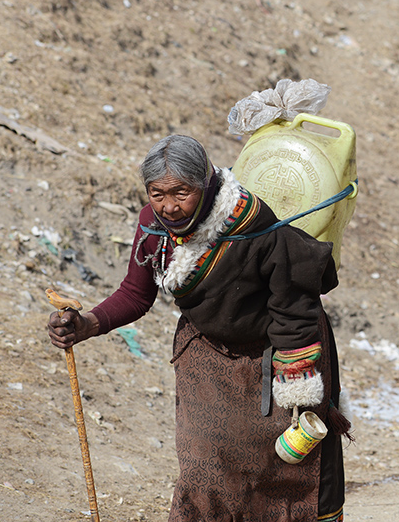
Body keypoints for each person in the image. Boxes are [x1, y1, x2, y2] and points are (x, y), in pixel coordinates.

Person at [48, 134, 349, 522]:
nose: (169, 206)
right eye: (157, 193)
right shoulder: (153, 226)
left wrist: (300, 389)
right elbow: (136, 294)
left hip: (280, 357)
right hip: (207, 361)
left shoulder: (254, 227)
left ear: (206, 183)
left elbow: (293, 307)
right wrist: (88, 323)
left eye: (181, 192)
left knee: (285, 473)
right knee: (202, 473)